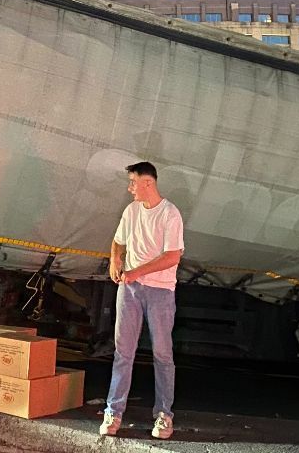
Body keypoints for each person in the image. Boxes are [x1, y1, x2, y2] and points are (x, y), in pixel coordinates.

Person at [100, 161, 184, 440]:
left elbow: (172, 256)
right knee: (123, 351)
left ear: (148, 183)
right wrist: (115, 259)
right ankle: (114, 411)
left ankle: (164, 415)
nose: (130, 187)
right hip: (131, 289)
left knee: (162, 353)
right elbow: (118, 240)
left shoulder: (170, 214)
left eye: (133, 182)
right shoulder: (131, 210)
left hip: (160, 291)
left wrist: (137, 271)